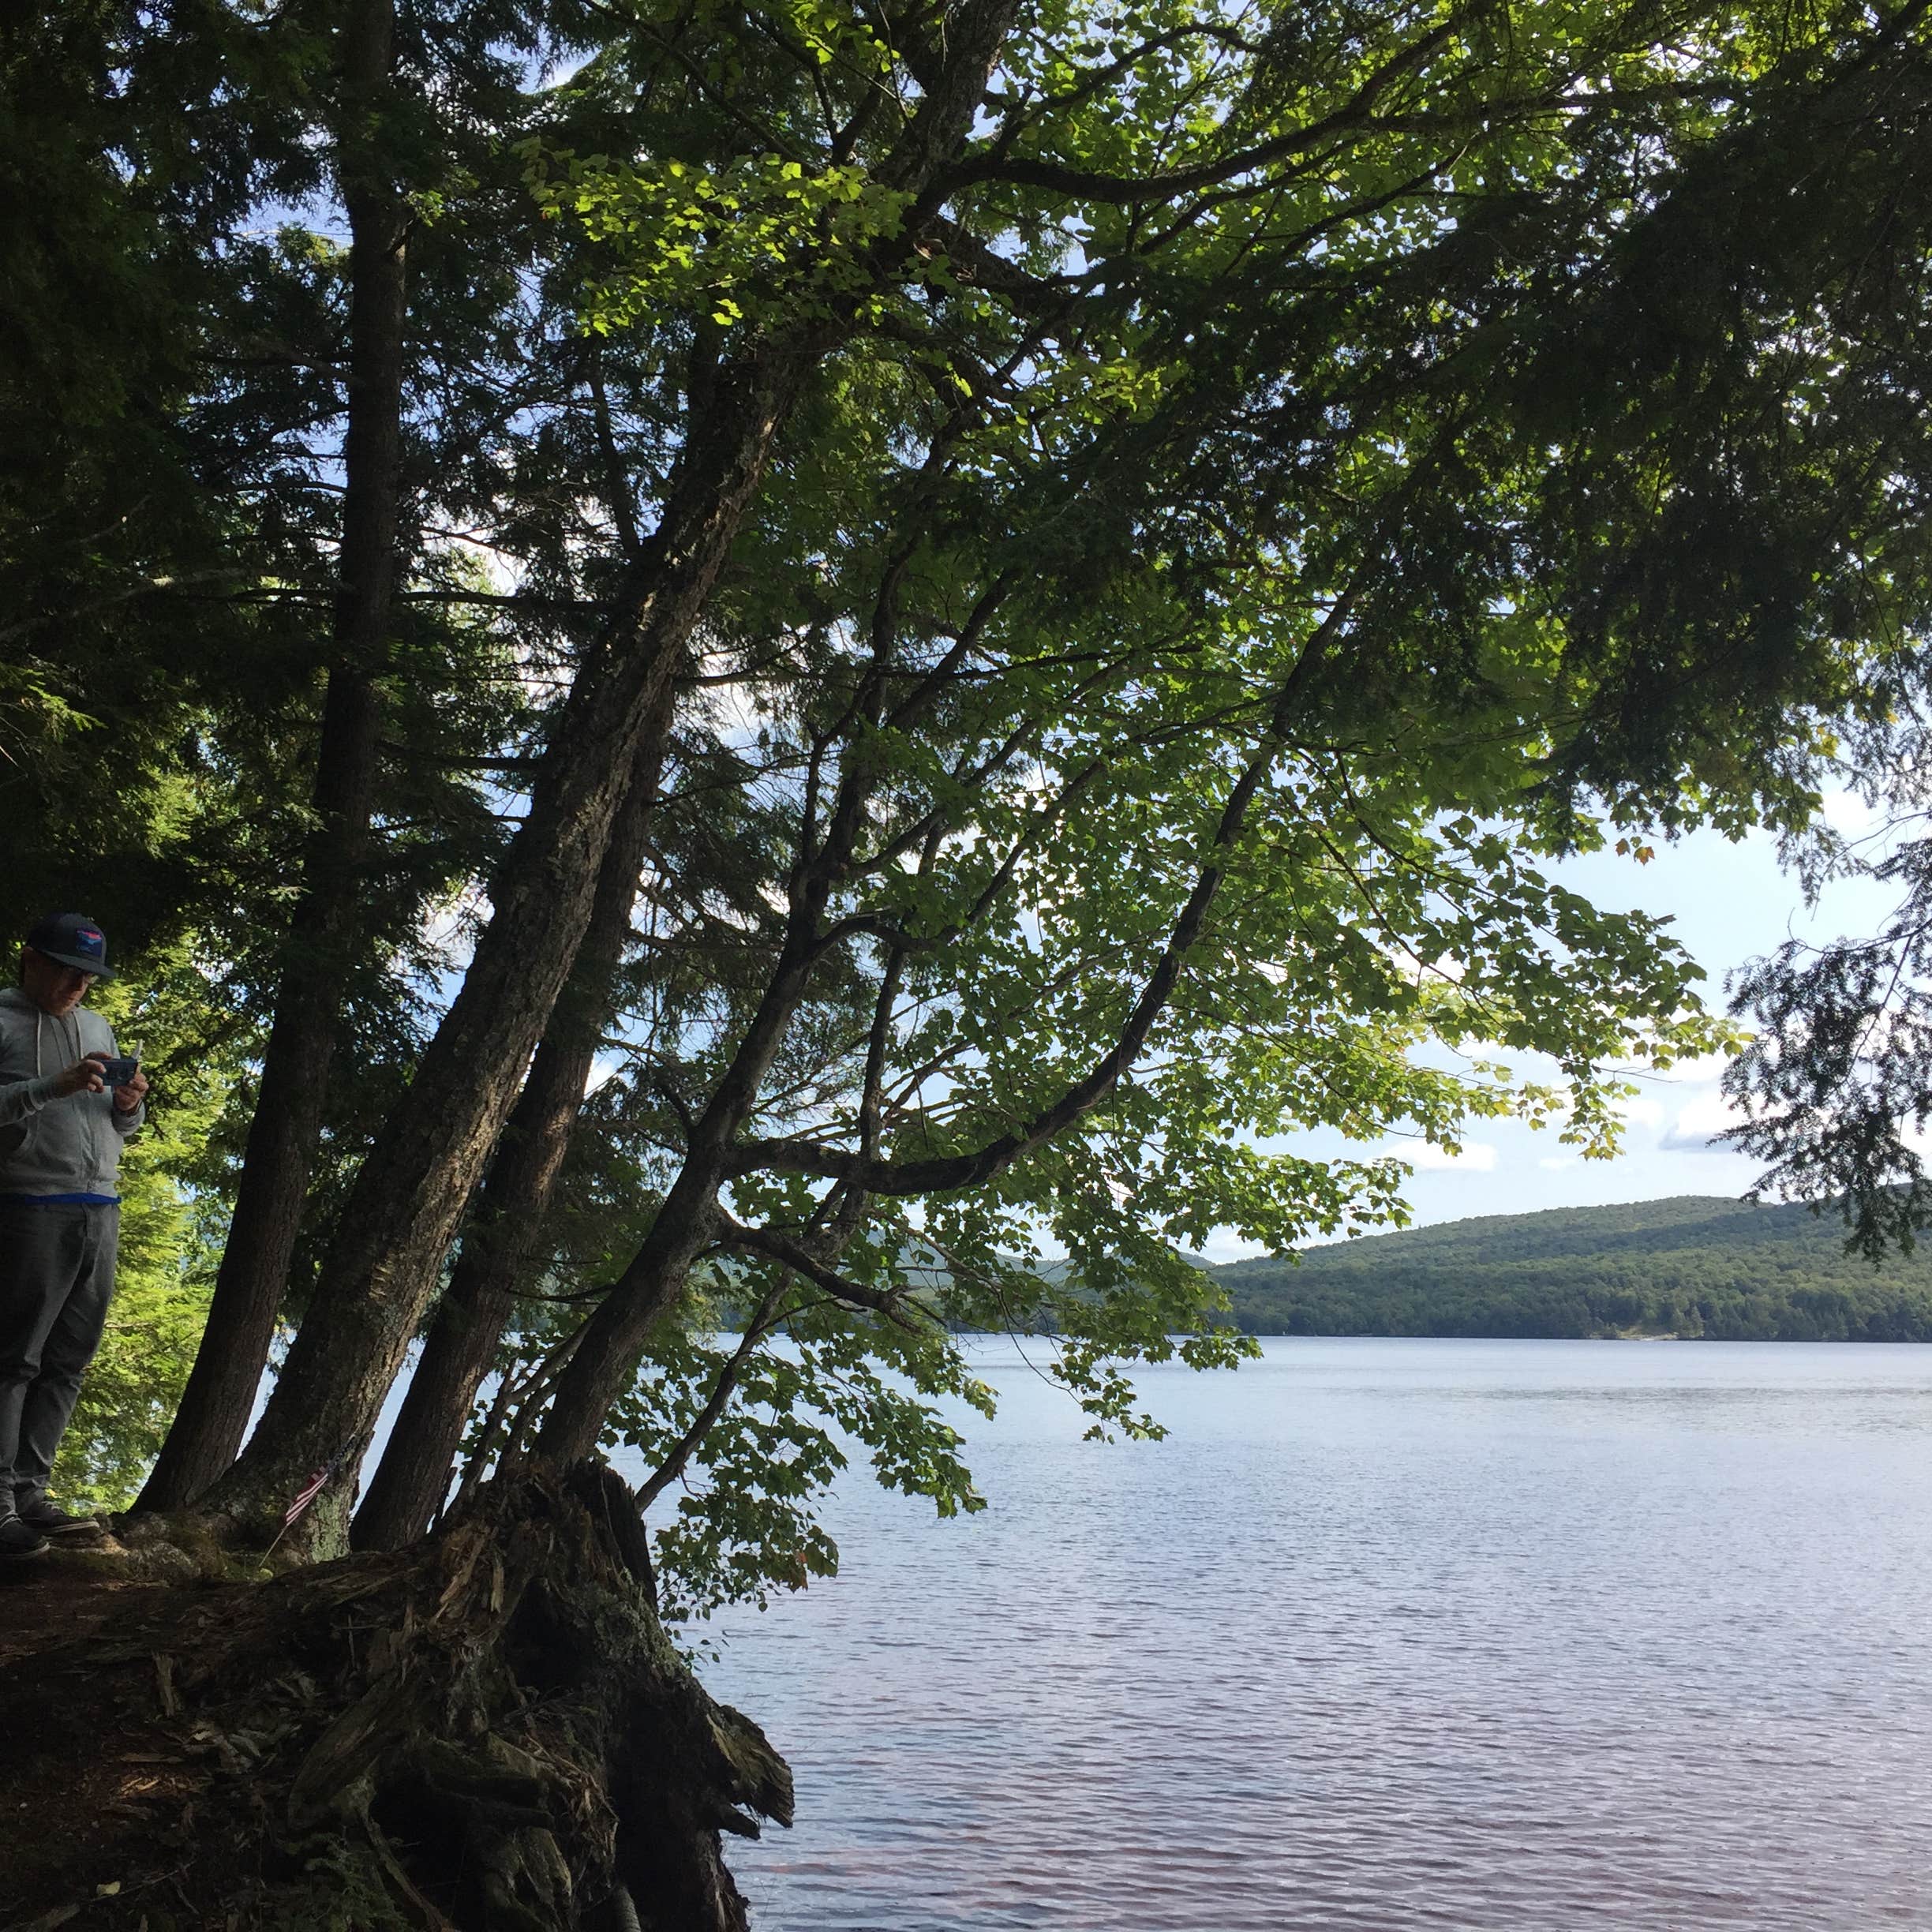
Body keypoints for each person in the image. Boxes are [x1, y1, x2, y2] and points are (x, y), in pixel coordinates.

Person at [0, 912, 149, 1557]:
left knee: (68, 1363)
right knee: (14, 1359)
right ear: (29, 959)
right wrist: (47, 1087)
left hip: (101, 1208)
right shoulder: (2, 1021)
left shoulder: (97, 1027)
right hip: (28, 1204)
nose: (77, 984)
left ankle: (30, 1493)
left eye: (87, 975)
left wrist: (128, 1103)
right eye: (66, 968)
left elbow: (125, 1131)